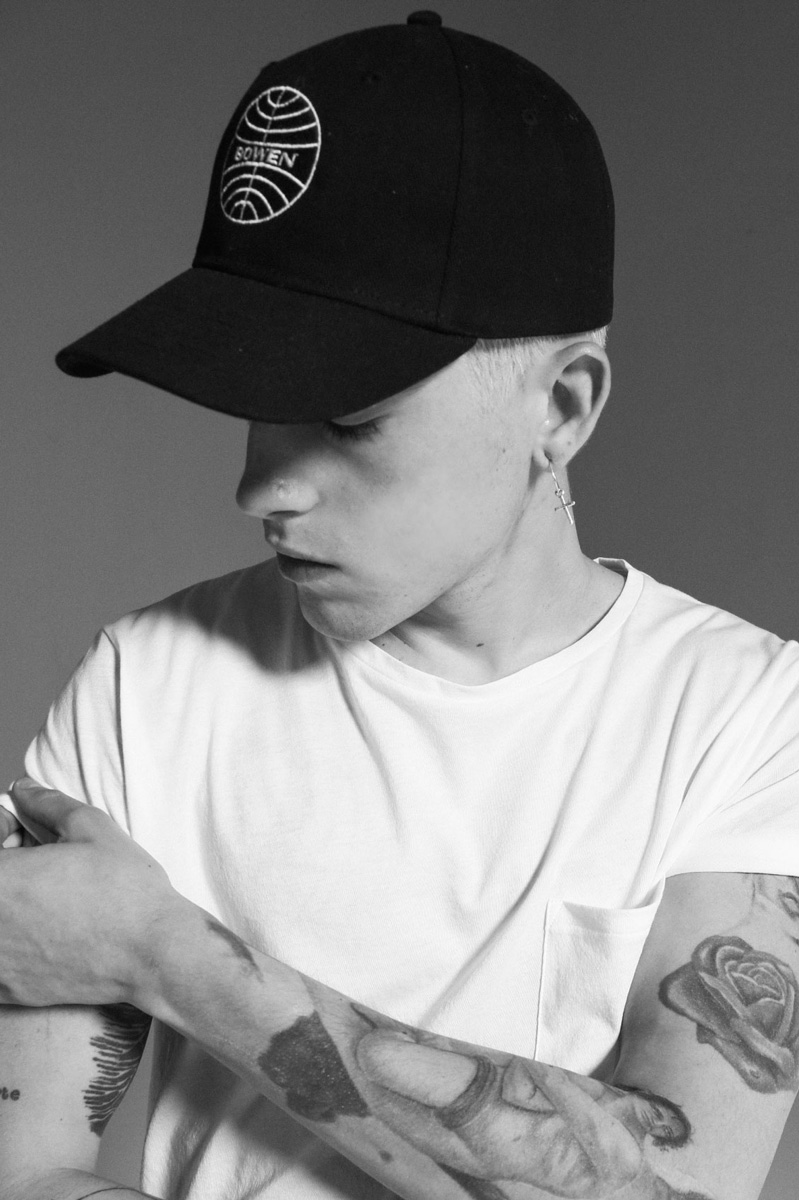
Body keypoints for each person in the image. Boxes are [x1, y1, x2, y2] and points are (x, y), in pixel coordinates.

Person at [0, 11, 798, 1200]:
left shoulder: (747, 716)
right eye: (253, 400)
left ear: (561, 408)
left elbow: (680, 1185)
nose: (261, 486)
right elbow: (25, 1178)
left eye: (350, 417)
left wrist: (165, 953)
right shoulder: (148, 682)